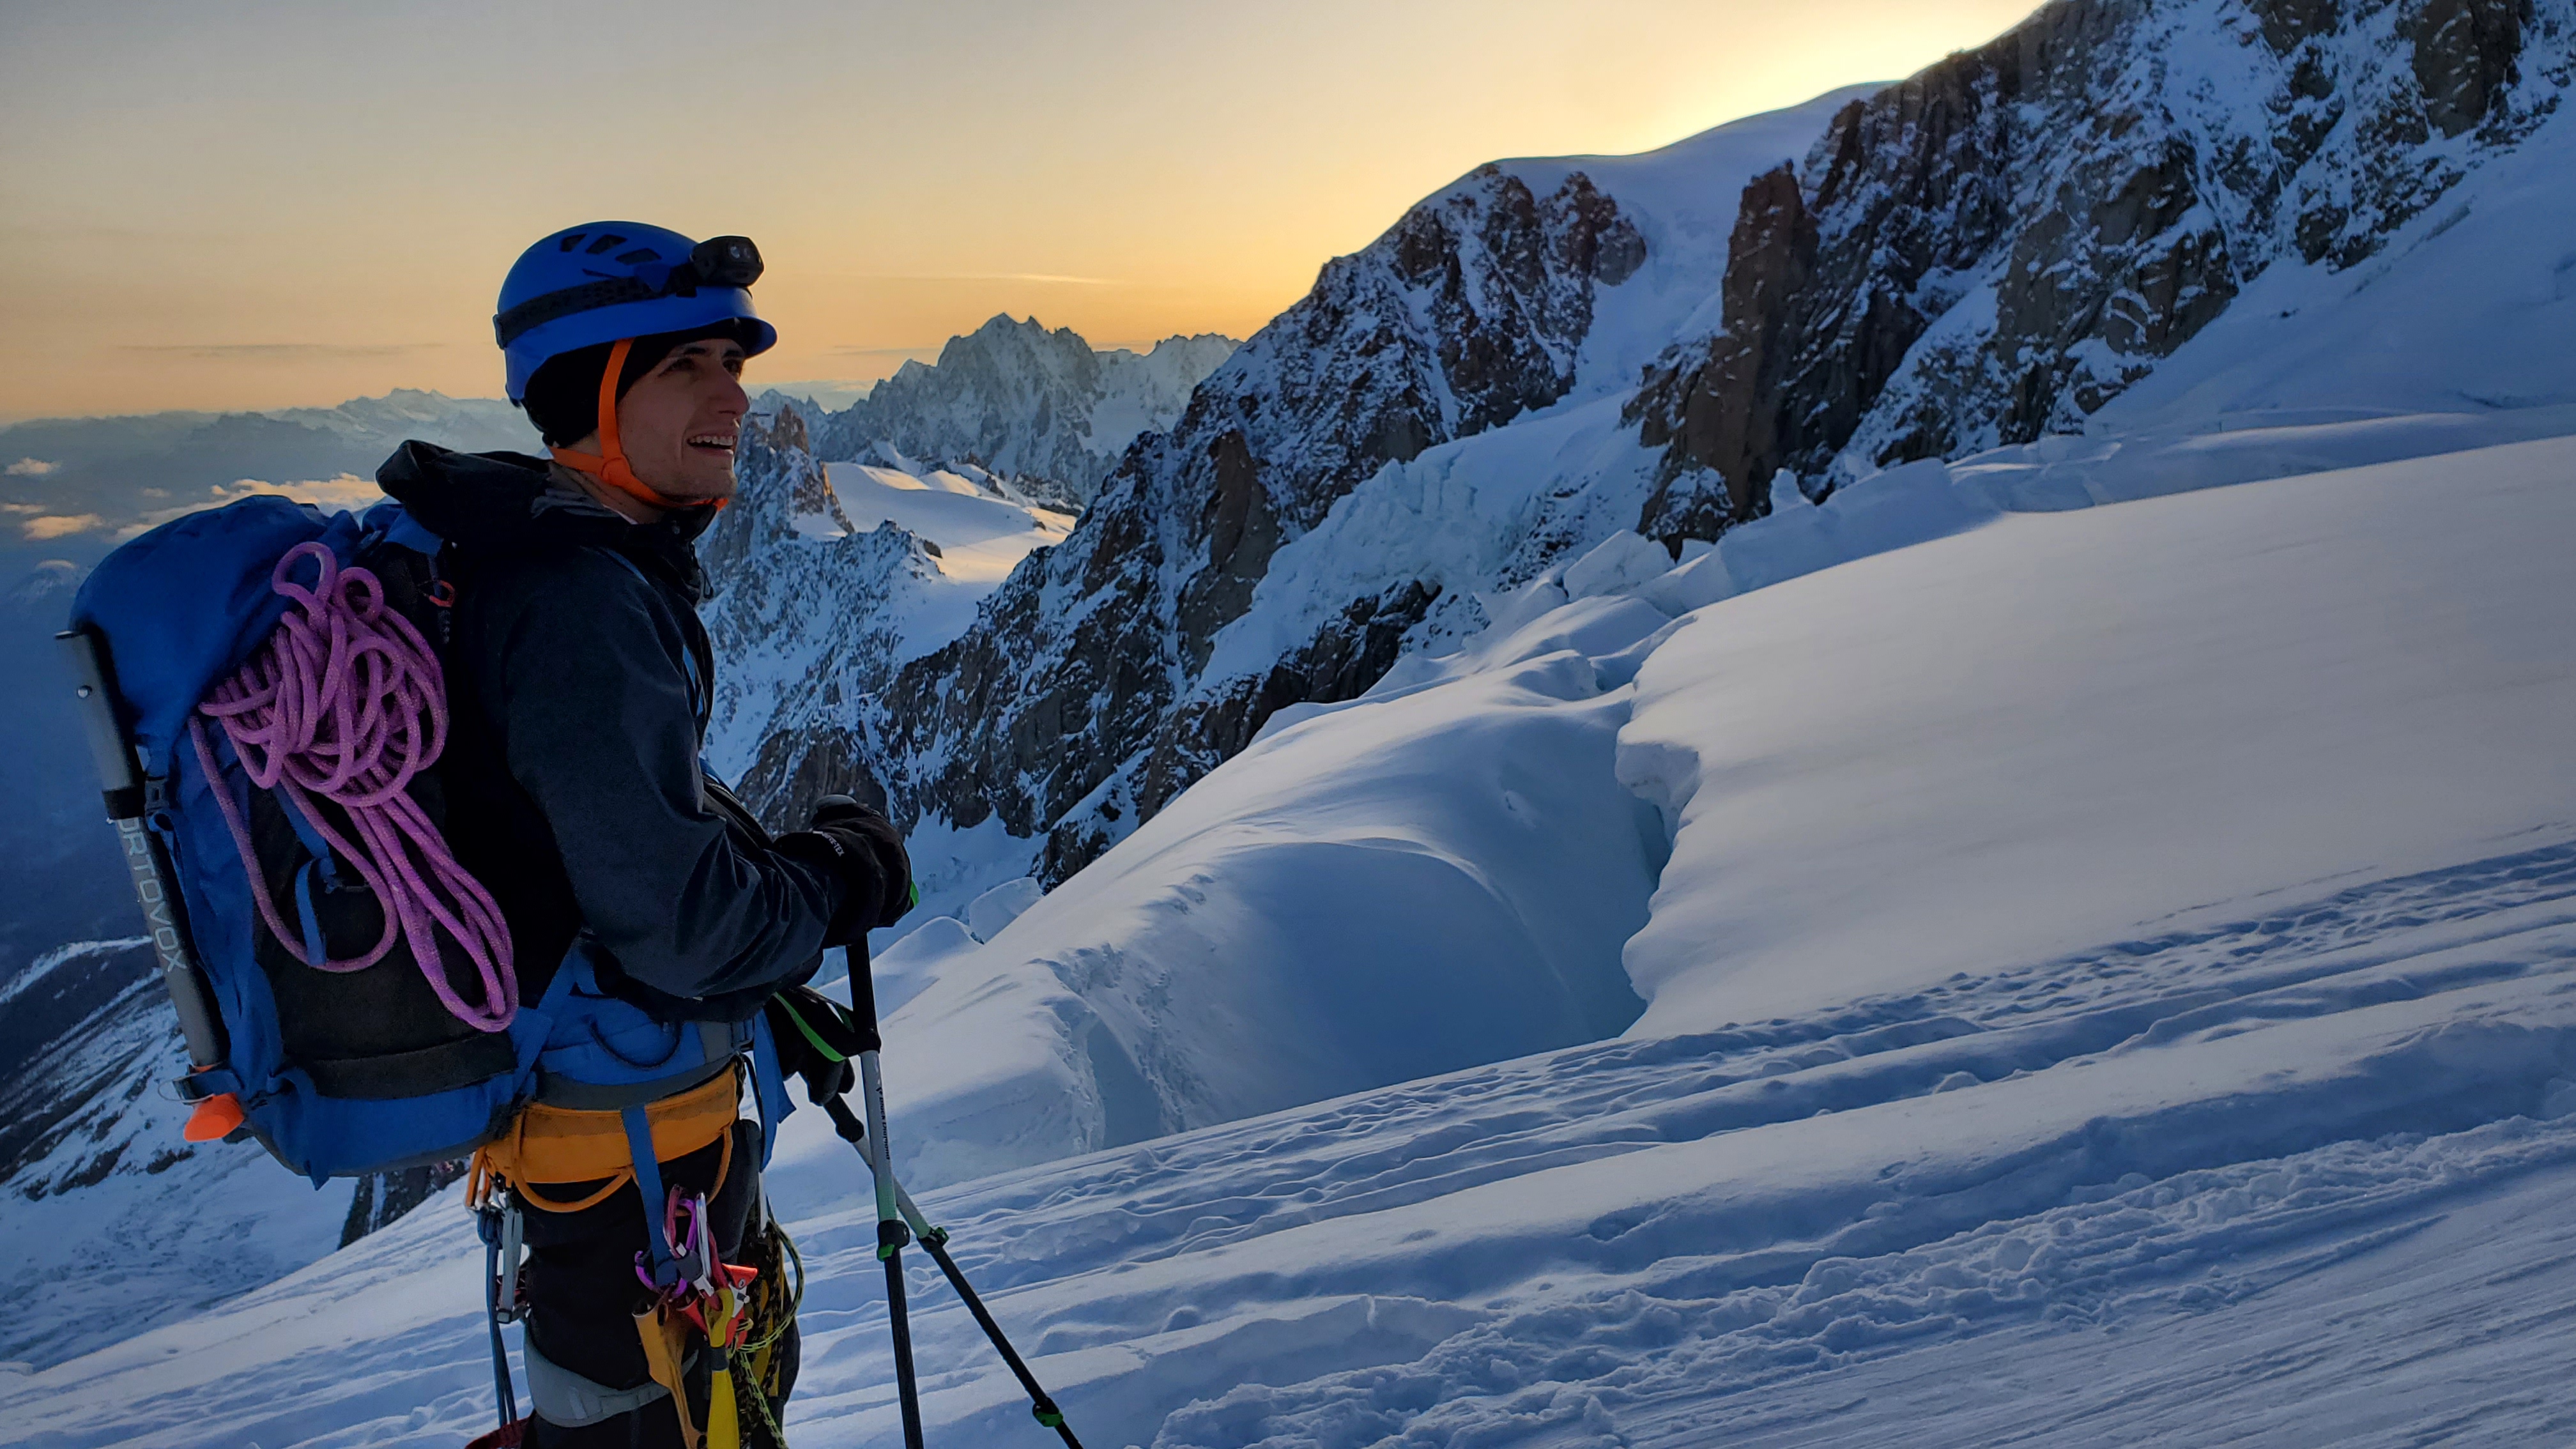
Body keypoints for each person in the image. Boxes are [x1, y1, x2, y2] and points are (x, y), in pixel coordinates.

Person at [378, 221, 909, 1448]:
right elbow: (685, 926)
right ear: (591, 390)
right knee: (667, 1423)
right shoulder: (576, 601)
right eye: (687, 366)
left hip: (620, 1155)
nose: (736, 397)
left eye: (735, 363)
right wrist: (840, 882)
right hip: (632, 1179)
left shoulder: (548, 559)